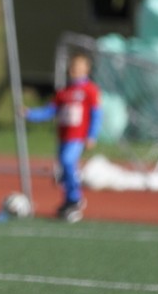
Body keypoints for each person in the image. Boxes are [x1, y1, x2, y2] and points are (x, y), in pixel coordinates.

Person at [24, 50, 101, 223]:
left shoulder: (90, 90)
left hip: (77, 137)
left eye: (79, 67)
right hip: (63, 137)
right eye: (73, 67)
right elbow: (50, 111)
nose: (74, 70)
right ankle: (68, 200)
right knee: (63, 171)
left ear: (87, 69)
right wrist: (29, 114)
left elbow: (96, 115)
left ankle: (75, 198)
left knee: (68, 162)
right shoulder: (64, 91)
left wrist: (92, 135)